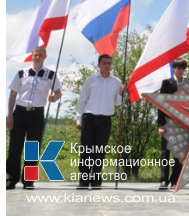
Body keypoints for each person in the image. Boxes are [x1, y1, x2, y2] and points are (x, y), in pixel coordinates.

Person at [6, 46, 62, 189]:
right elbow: (12, 95)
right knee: (15, 147)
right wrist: (10, 115)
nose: (37, 57)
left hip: (37, 114)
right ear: (32, 56)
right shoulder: (21, 73)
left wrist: (53, 98)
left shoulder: (51, 75)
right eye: (35, 55)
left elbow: (58, 93)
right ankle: (11, 178)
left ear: (45, 56)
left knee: (33, 148)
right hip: (19, 112)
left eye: (40, 55)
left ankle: (29, 180)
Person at [75, 54, 125, 189]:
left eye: (109, 63)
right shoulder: (90, 80)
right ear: (99, 64)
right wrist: (78, 118)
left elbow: (118, 103)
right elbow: (82, 100)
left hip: (105, 119)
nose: (107, 66)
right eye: (104, 63)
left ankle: (96, 179)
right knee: (86, 150)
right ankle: (84, 179)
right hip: (89, 118)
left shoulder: (116, 82)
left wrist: (121, 93)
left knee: (99, 151)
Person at [157, 58, 187, 190]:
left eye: (182, 68)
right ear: (173, 68)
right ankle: (164, 180)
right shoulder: (166, 83)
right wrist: (160, 125)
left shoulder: (188, 84)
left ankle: (175, 179)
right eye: (177, 67)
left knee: (178, 154)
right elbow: (160, 104)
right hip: (168, 123)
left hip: (182, 124)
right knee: (165, 153)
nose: (180, 70)